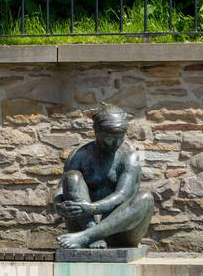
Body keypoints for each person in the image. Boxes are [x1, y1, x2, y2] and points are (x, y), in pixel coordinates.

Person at [54, 105, 156, 250]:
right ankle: (91, 232)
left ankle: (89, 236)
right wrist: (58, 206)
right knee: (72, 177)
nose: (115, 143)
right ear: (96, 132)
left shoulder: (130, 157)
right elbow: (60, 190)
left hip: (122, 228)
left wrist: (91, 208)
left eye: (120, 138)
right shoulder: (79, 155)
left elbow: (122, 194)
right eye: (109, 138)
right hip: (85, 223)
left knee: (146, 198)